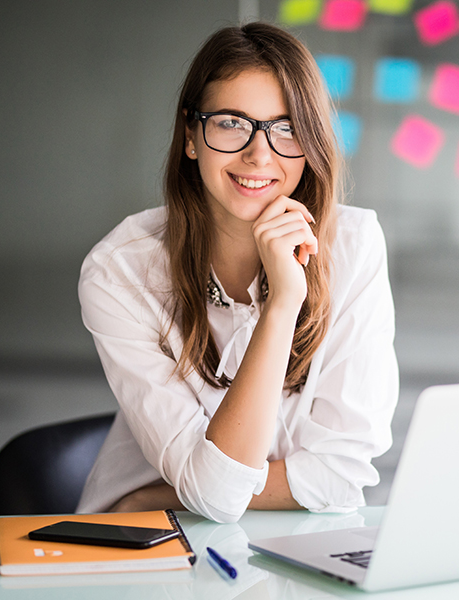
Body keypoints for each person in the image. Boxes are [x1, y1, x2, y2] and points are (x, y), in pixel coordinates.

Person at [75, 22, 398, 523]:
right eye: (230, 122)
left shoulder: (353, 246)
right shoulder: (122, 270)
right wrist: (281, 307)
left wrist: (160, 493)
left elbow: (344, 475)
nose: (259, 154)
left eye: (286, 127)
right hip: (153, 541)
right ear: (190, 136)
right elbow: (216, 497)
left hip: (290, 538)